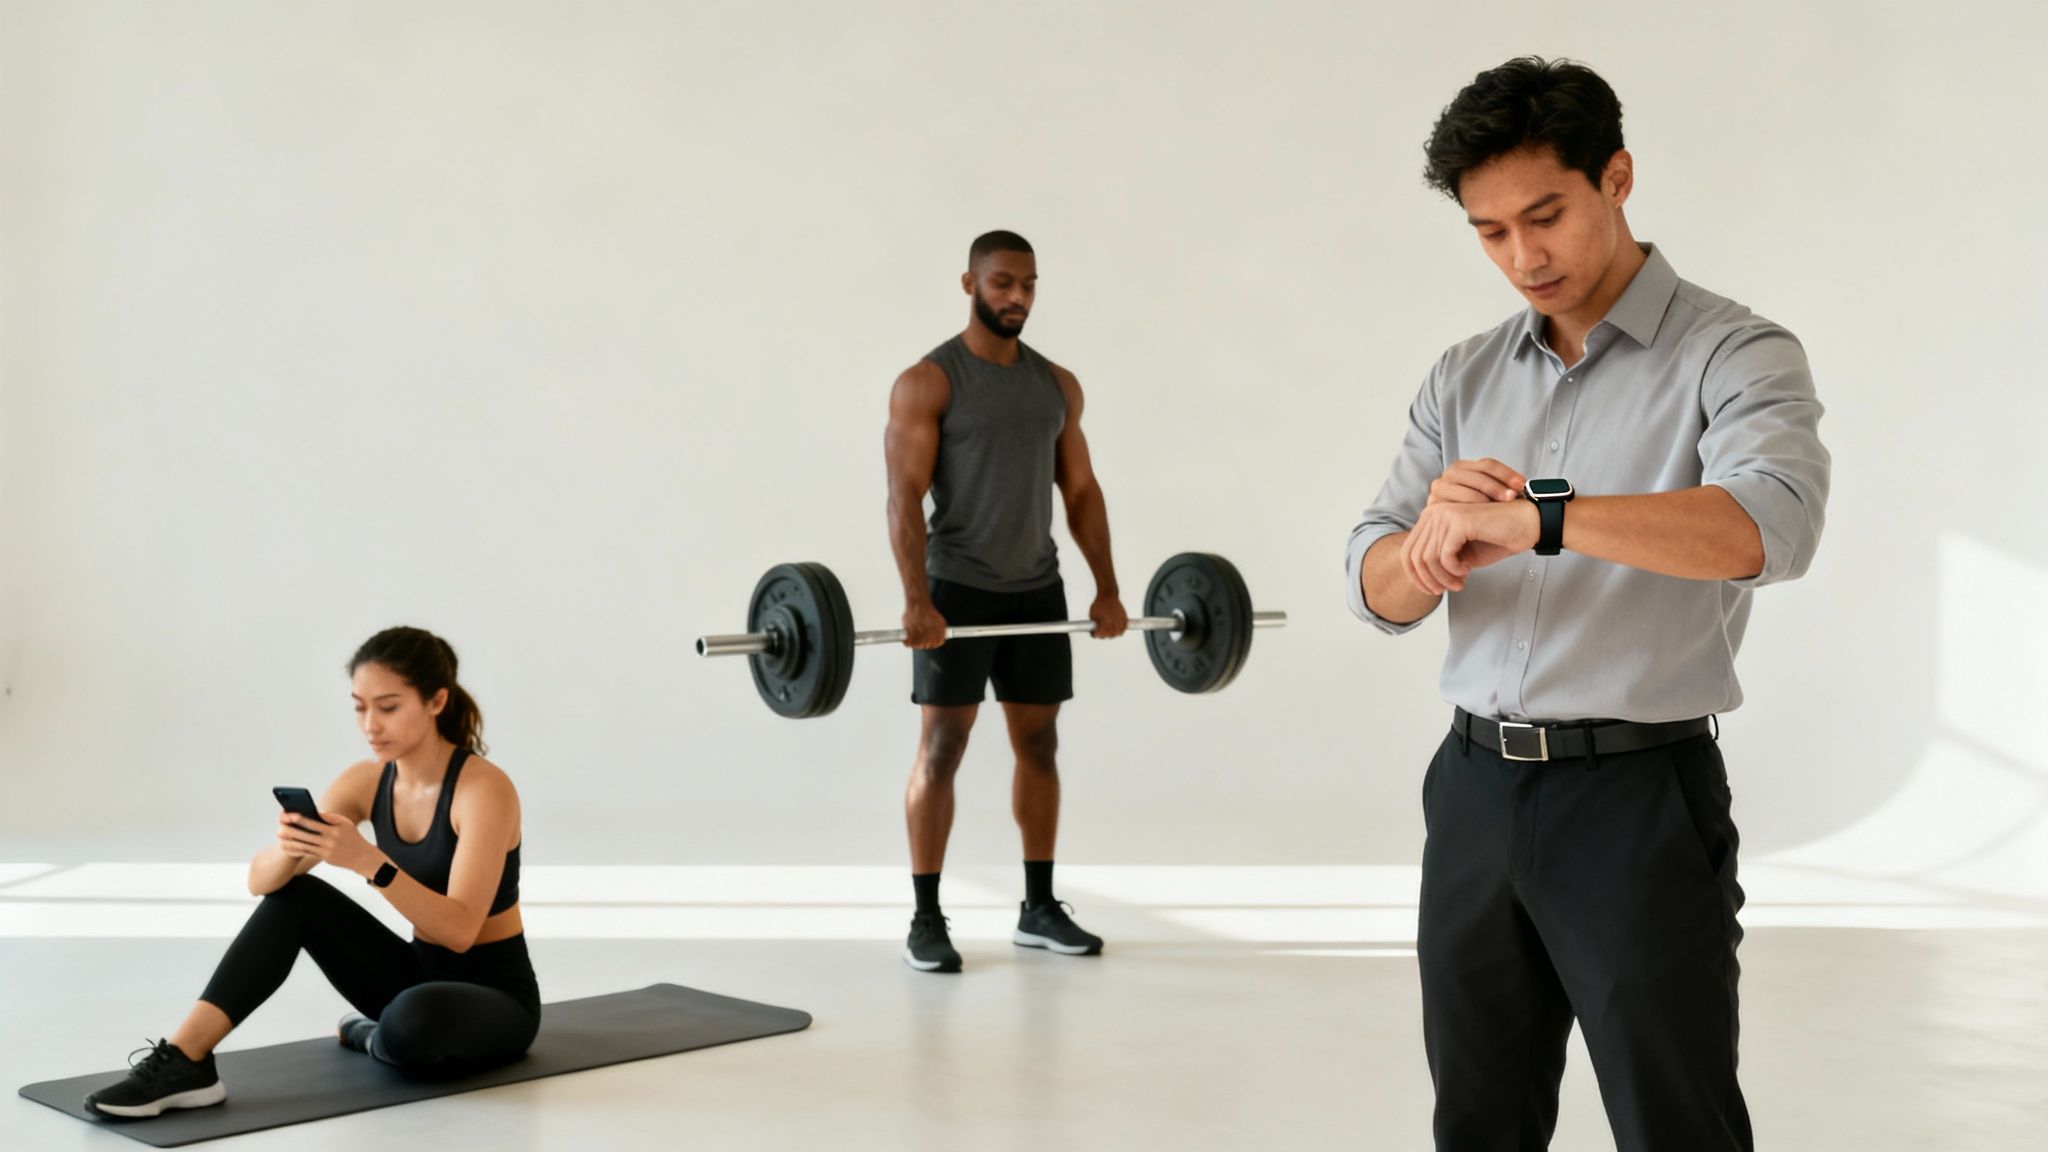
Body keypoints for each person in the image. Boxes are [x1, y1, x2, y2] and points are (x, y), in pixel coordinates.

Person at [1345, 58, 1830, 1151]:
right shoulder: (1461, 376)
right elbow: (1369, 582)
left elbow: (1770, 528)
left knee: (1674, 1125)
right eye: (1487, 231)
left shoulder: (1736, 353)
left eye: (1544, 215)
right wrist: (1427, 547)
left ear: (1614, 177)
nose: (1523, 256)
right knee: (1476, 1121)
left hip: (1635, 800)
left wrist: (1544, 518)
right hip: (1469, 794)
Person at [84, 627, 538, 1117]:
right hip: (415, 974)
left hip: (496, 998)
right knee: (296, 897)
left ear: (436, 701)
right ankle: (187, 1059)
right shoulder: (365, 781)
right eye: (359, 707)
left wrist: (367, 861)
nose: (370, 724)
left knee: (412, 1020)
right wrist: (290, 847)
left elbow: (459, 931)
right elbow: (261, 883)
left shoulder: (483, 791)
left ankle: (374, 1037)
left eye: (388, 707)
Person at [883, 230, 1128, 974]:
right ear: (969, 284)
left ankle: (1038, 908)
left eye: (1027, 284)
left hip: (1036, 588)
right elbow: (902, 496)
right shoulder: (928, 382)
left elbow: (1079, 491)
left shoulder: (1057, 384)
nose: (1016, 297)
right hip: (956, 591)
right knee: (942, 747)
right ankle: (926, 917)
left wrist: (1108, 587)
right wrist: (916, 599)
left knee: (1041, 745)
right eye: (1001, 284)